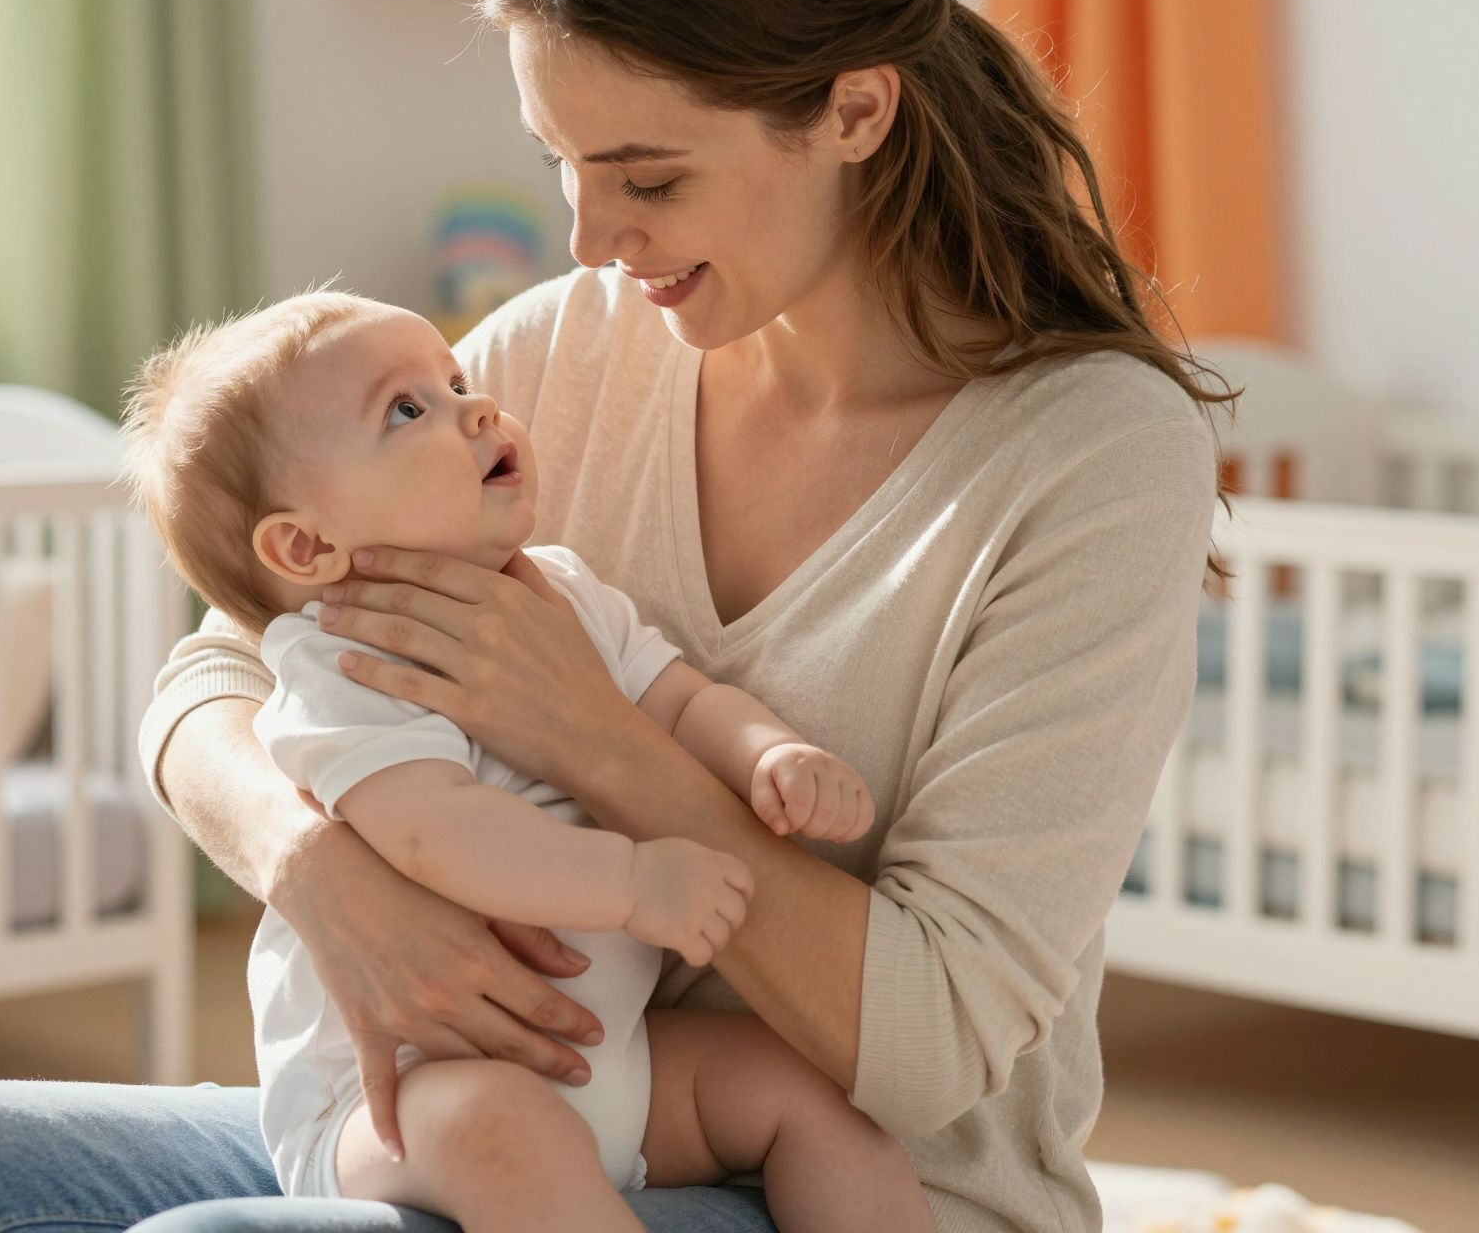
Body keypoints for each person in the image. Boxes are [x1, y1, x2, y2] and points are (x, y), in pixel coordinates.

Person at [0, 0, 1229, 1233]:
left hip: (827, 1170)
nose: (591, 236)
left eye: (646, 173)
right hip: (499, 1111)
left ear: (853, 111)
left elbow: (933, 1044)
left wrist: (592, 730)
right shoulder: (562, 349)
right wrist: (320, 873)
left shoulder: (1090, 457)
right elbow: (212, 672)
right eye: (562, 167)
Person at [115, 289, 928, 1232]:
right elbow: (436, 833)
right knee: (502, 1130)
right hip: (410, 1103)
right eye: (407, 410)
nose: (477, 409)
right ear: (306, 544)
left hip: (611, 1063)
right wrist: (630, 882)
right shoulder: (344, 661)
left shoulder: (564, 589)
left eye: (457, 382)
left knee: (810, 1098)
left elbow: (679, 699)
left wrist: (768, 754)